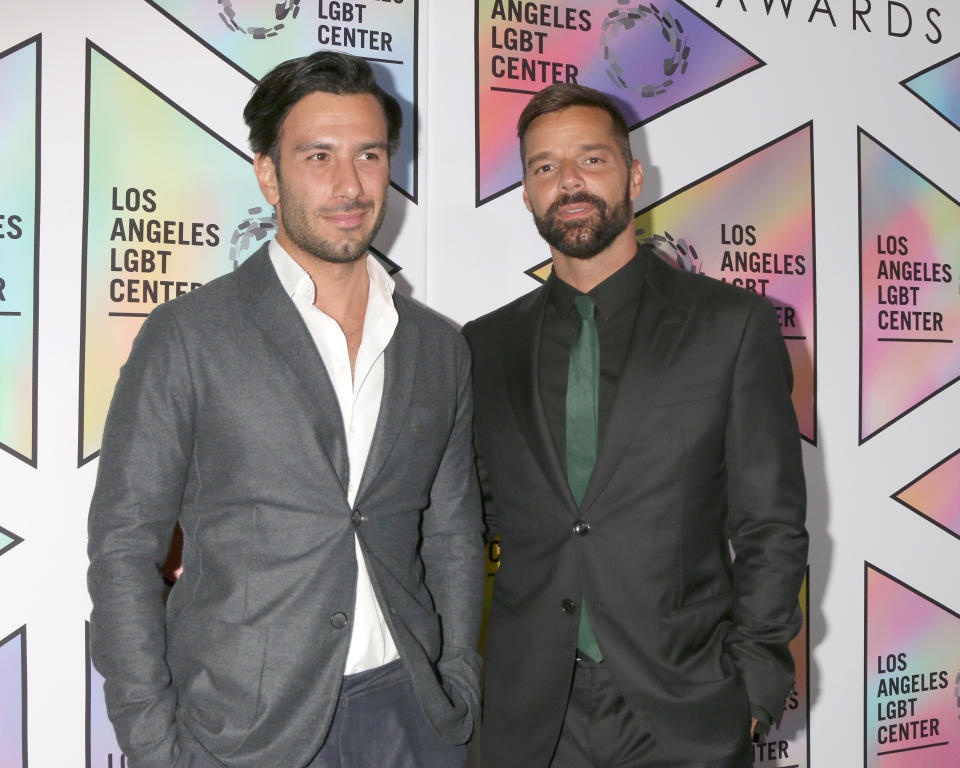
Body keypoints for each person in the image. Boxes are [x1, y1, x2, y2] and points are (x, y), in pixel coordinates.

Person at [88, 51, 483, 768]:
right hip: (243, 731)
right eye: (318, 156)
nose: (349, 184)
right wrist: (155, 746)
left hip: (412, 717)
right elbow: (123, 551)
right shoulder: (189, 336)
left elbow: (452, 531)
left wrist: (456, 676)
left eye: (369, 154)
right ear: (269, 174)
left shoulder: (437, 347)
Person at [463, 84, 808, 768]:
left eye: (591, 159)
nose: (569, 183)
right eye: (544, 168)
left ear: (634, 175)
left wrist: (756, 690)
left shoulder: (729, 327)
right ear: (527, 196)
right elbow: (469, 523)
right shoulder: (482, 347)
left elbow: (771, 525)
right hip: (529, 720)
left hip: (686, 716)